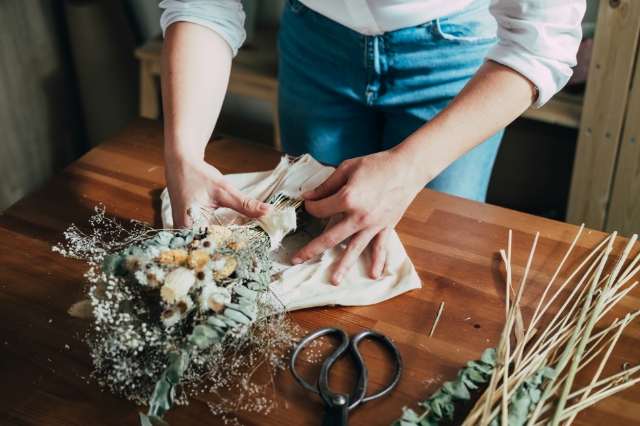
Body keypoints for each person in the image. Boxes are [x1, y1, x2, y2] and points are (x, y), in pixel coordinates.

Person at [159, 0, 585, 285]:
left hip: (459, 63)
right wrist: (184, 154)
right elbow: (203, 5)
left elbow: (541, 44)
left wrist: (410, 167)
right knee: (307, 253)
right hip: (314, 45)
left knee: (432, 262)